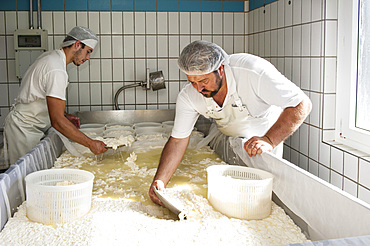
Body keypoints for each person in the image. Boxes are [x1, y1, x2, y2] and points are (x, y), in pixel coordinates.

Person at [149, 40, 312, 205]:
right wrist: (160, 181)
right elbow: (178, 140)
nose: (198, 89)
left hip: (264, 143)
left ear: (220, 69)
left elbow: (301, 104)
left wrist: (269, 140)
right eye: (192, 82)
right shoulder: (189, 96)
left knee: (263, 198)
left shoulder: (253, 72)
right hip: (233, 142)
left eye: (204, 81)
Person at [3, 26, 107, 166]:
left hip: (30, 128)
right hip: (23, 130)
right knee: (24, 180)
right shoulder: (56, 69)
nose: (87, 58)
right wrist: (90, 143)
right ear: (77, 45)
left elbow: (41, 98)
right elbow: (56, 121)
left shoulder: (52, 58)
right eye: (88, 52)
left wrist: (64, 115)